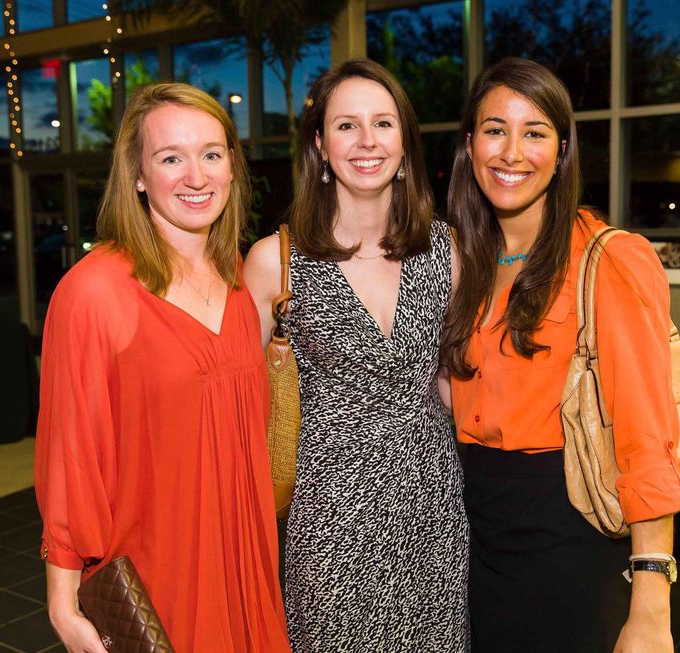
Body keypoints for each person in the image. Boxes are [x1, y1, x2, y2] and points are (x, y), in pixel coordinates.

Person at [442, 58, 680, 652]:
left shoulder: (609, 258)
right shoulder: (460, 261)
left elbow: (646, 435)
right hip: (469, 527)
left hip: (564, 524)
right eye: (495, 129)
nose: (511, 152)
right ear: (470, 144)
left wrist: (652, 602)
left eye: (535, 133)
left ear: (562, 150)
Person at [34, 82, 291, 653]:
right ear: (138, 176)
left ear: (232, 167)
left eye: (211, 153)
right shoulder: (95, 291)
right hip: (162, 572)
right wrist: (63, 602)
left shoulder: (237, 282)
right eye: (170, 158)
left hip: (246, 566)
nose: (195, 176)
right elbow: (70, 454)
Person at [244, 59, 468, 652]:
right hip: (331, 528)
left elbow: (453, 383)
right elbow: (236, 401)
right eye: (347, 125)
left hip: (433, 515)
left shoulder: (446, 250)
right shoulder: (275, 261)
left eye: (383, 123)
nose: (367, 141)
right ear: (319, 144)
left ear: (405, 142)